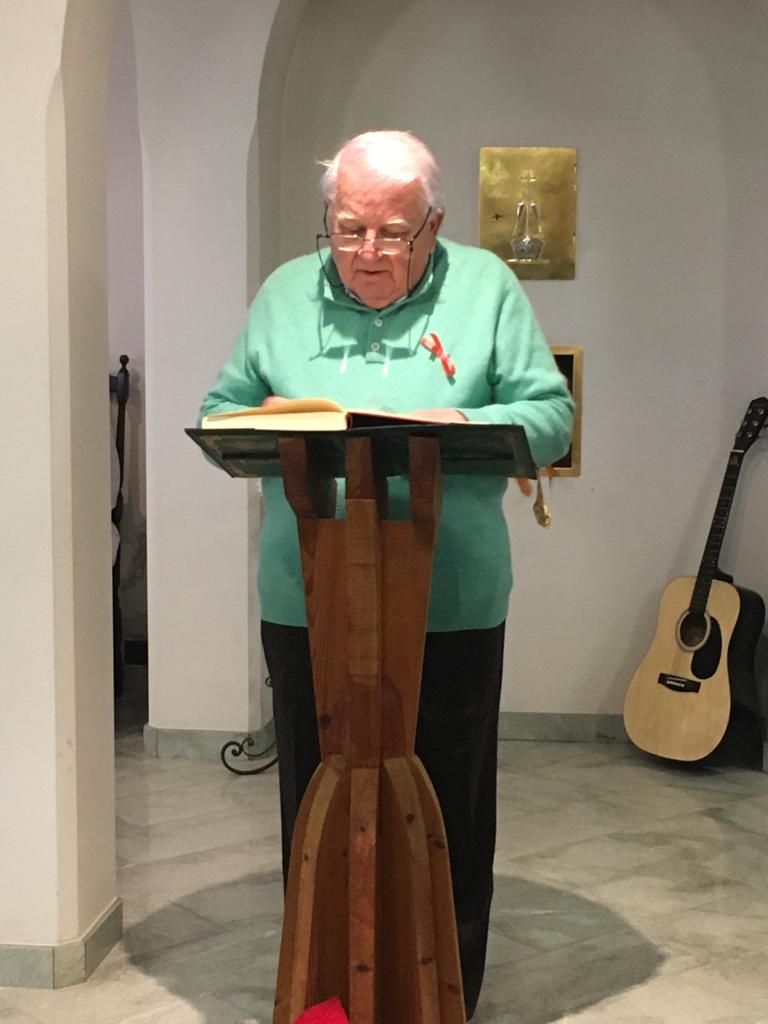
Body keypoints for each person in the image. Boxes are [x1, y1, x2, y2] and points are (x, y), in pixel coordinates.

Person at [200, 130, 574, 1019]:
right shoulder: (284, 293)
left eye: (393, 233)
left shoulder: (486, 287)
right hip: (310, 597)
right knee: (315, 798)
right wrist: (270, 420)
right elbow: (220, 411)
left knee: (446, 808)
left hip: (449, 600)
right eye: (347, 229)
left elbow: (551, 417)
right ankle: (325, 991)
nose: (368, 252)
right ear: (328, 220)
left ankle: (445, 995)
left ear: (433, 224)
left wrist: (463, 421)